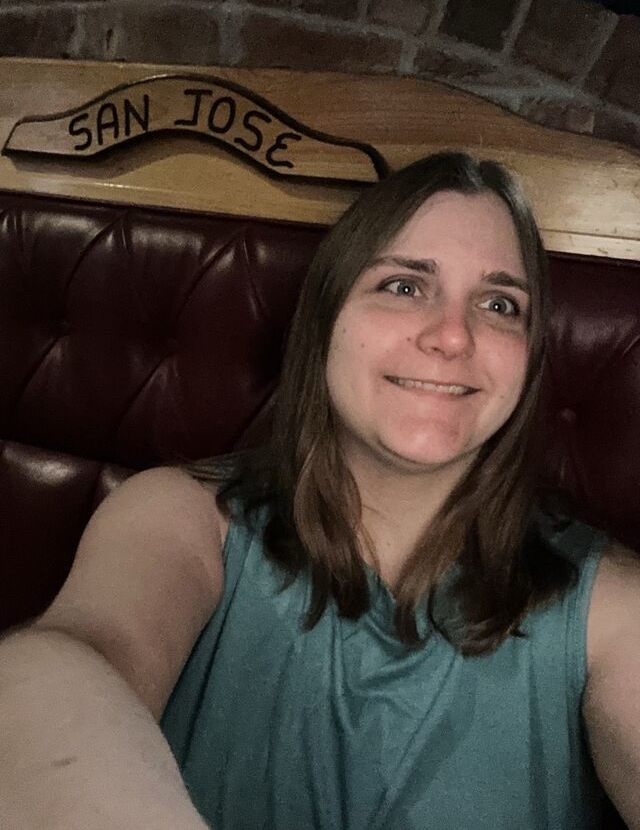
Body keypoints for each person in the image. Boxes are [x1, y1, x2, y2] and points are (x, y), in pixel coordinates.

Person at [1, 152, 639, 830]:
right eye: (404, 286)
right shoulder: (178, 517)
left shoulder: (610, 609)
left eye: (500, 304)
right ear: (325, 321)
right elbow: (69, 660)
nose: (454, 335)